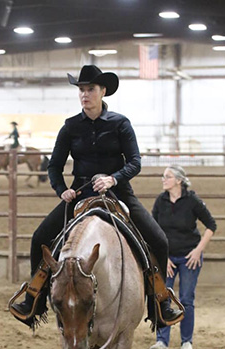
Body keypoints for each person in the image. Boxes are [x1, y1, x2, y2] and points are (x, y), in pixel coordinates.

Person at [10, 65, 183, 327]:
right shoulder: (70, 127)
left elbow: (135, 162)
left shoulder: (120, 124)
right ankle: (34, 299)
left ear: (103, 91)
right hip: (80, 193)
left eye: (90, 89)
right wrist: (62, 189)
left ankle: (159, 302)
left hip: (118, 192)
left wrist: (114, 178)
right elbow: (54, 166)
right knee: (39, 238)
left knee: (158, 240)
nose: (85, 94)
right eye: (81, 89)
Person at [149, 165, 217, 349]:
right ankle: (161, 341)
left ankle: (186, 341)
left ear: (178, 180)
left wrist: (198, 251)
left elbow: (211, 225)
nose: (163, 180)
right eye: (163, 176)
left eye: (167, 176)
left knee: (186, 299)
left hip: (189, 258)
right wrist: (163, 258)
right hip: (167, 259)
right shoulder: (160, 201)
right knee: (163, 297)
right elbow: (153, 231)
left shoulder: (192, 200)